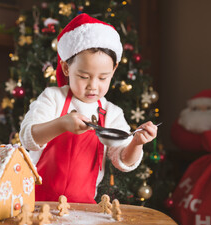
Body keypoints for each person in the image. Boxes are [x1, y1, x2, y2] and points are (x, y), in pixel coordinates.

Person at [19, 13, 158, 204]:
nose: (93, 86)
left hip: (82, 207)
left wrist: (136, 143)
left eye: (103, 78)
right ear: (66, 68)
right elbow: (28, 137)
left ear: (114, 70)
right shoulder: (53, 98)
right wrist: (61, 124)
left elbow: (122, 160)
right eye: (84, 76)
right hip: (35, 201)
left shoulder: (112, 113)